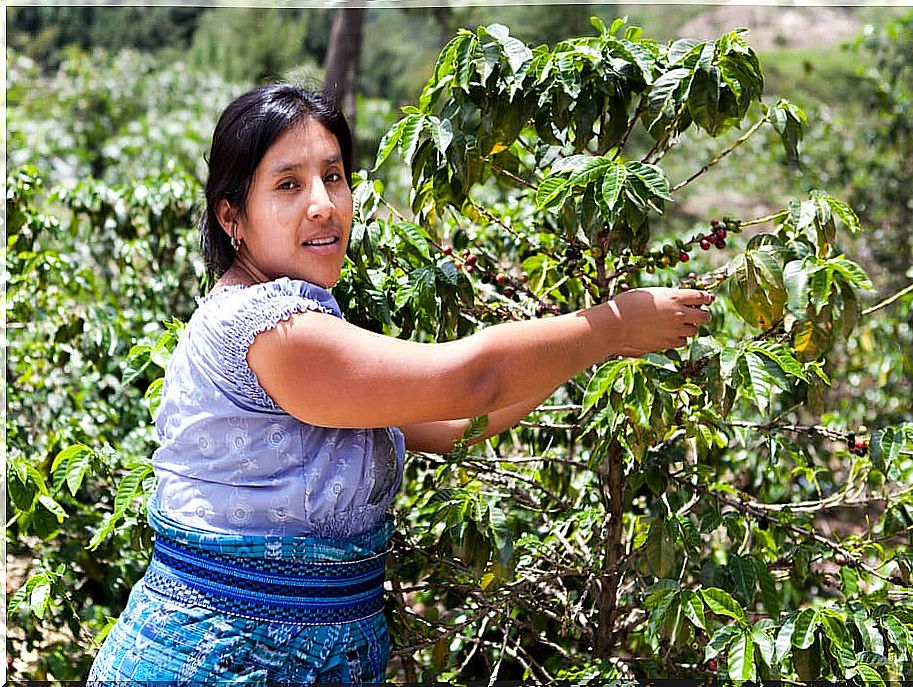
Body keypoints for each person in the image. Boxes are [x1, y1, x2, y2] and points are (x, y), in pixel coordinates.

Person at [87, 83, 714, 684]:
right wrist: (609, 327)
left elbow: (457, 422)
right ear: (233, 217)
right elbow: (472, 381)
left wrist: (588, 349)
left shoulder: (295, 325)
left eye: (333, 176)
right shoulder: (272, 331)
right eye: (287, 184)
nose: (322, 204)